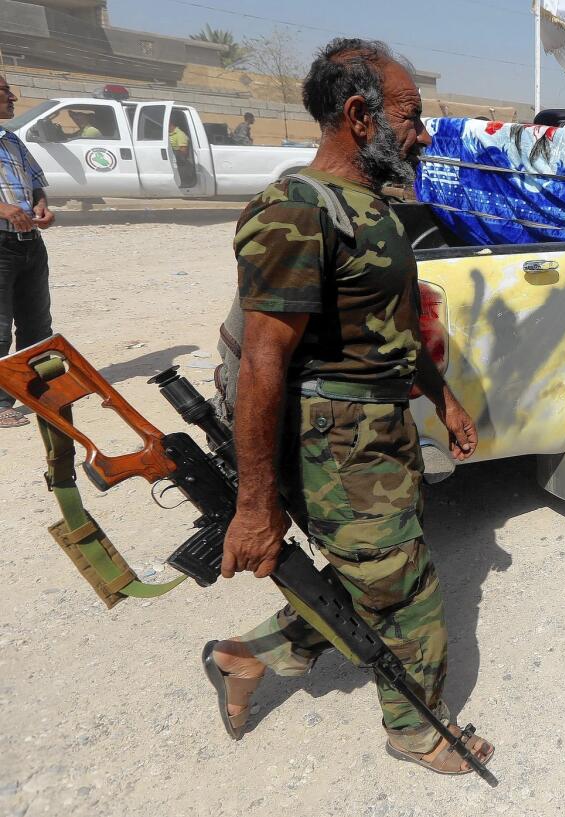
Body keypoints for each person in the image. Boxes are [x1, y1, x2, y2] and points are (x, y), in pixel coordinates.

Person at [204, 38, 494, 776]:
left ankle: (246, 657)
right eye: (412, 116)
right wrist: (256, 504)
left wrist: (446, 402)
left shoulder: (376, 211)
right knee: (405, 592)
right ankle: (416, 730)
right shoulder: (296, 210)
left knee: (376, 572)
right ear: (361, 116)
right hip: (334, 444)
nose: (423, 133)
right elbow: (265, 360)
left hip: (380, 435)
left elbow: (396, 334)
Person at [0, 74, 56, 429]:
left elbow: (36, 185)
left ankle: (34, 389)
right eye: (3, 90)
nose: (13, 96)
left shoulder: (12, 140)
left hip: (29, 245)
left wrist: (42, 208)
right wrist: (3, 209)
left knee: (37, 323)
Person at [168, 117, 196, 186]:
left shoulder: (180, 134)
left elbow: (183, 152)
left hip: (179, 162)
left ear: (170, 124)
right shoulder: (169, 134)